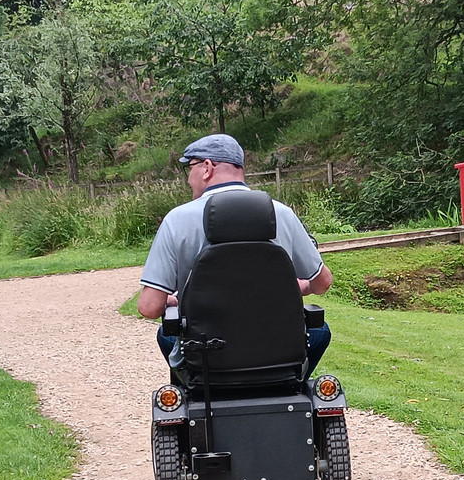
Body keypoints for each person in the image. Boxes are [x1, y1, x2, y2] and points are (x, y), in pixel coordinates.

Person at [137, 133, 333, 374]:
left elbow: (148, 307)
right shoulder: (282, 213)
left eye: (190, 168)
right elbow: (322, 283)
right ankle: (294, 381)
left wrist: (173, 299)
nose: (188, 179)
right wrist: (300, 287)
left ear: (207, 168)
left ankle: (193, 387)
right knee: (320, 331)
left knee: (167, 335)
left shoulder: (176, 220)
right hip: (279, 355)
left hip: (208, 359)